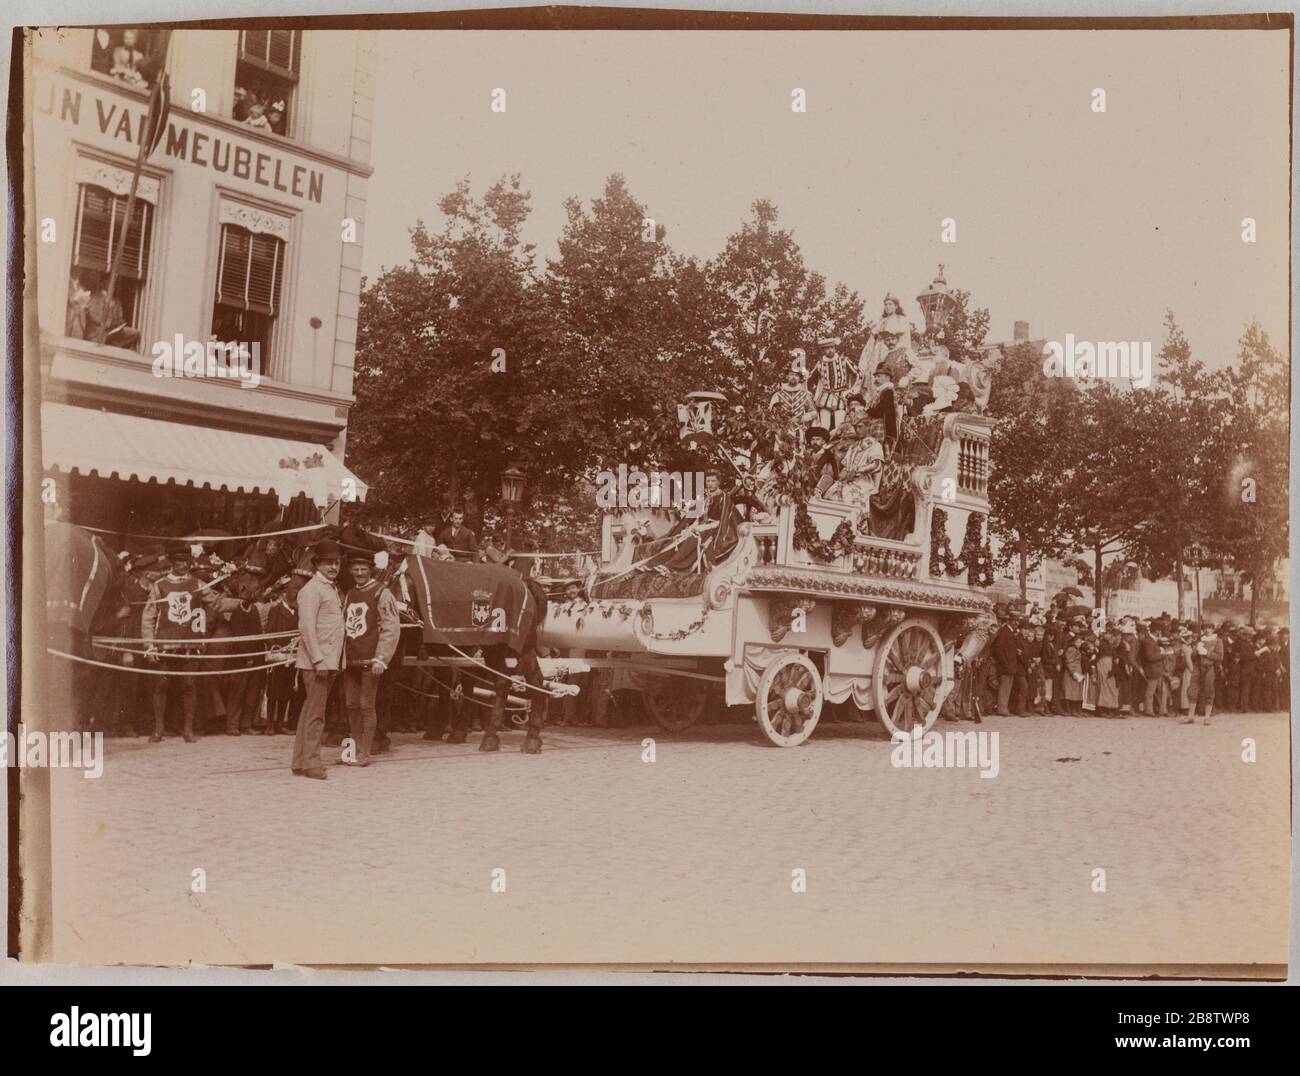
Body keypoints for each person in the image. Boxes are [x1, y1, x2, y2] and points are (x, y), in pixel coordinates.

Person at [142, 541, 242, 743]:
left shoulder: (198, 585)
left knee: (189, 685)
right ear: (172, 563)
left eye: (187, 562)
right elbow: (148, 616)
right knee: (161, 685)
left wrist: (242, 603)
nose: (184, 565)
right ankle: (158, 729)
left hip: (190, 644)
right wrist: (149, 644)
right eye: (180, 562)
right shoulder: (159, 586)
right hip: (165, 644)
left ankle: (188, 730)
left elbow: (218, 602)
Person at [341, 552, 401, 767]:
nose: (359, 573)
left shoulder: (382, 593)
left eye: (363, 569)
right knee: (351, 705)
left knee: (366, 705)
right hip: (351, 660)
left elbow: (391, 628)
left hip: (371, 660)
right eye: (355, 569)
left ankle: (365, 752)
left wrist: (381, 659)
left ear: (370, 570)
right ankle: (354, 750)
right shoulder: (349, 594)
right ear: (350, 571)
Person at [292, 539, 345, 780]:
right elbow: (307, 628)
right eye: (328, 563)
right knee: (316, 714)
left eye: (336, 562)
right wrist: (318, 660)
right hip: (318, 663)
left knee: (309, 711)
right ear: (317, 564)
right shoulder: (311, 590)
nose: (333, 567)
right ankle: (311, 763)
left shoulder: (330, 588)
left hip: (329, 660)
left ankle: (300, 760)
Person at [824, 394, 885, 514]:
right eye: (855, 428)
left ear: (868, 427)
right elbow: (845, 466)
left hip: (863, 481)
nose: (857, 430)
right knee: (831, 494)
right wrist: (843, 474)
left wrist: (857, 471)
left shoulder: (875, 445)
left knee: (850, 497)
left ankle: (852, 528)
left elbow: (876, 465)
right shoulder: (853, 446)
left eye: (860, 427)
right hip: (848, 480)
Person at [809, 339, 857, 432]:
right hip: (825, 397)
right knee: (824, 426)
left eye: (832, 347)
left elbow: (859, 375)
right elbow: (809, 378)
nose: (830, 350)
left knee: (839, 426)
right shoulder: (820, 363)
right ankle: (824, 445)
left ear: (835, 348)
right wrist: (810, 393)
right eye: (827, 348)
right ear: (823, 350)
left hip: (841, 396)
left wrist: (851, 391)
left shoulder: (844, 360)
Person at [991, 605, 1028, 716]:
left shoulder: (1011, 632)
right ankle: (1002, 709)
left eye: (1017, 621)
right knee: (1004, 687)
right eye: (1014, 621)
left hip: (1011, 665)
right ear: (1009, 621)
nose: (1016, 623)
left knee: (1008, 688)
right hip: (1006, 665)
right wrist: (1005, 663)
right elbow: (998, 649)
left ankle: (1004, 708)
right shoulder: (1004, 632)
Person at [1192, 623, 1223, 722]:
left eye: (1209, 628)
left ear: (1213, 629)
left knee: (1209, 690)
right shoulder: (1200, 640)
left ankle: (1207, 717)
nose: (1207, 630)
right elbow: (1193, 658)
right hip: (1198, 667)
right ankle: (1190, 716)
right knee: (1193, 690)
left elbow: (1220, 656)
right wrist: (1195, 651)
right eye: (1205, 628)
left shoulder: (1218, 641)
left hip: (1210, 667)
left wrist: (1207, 653)